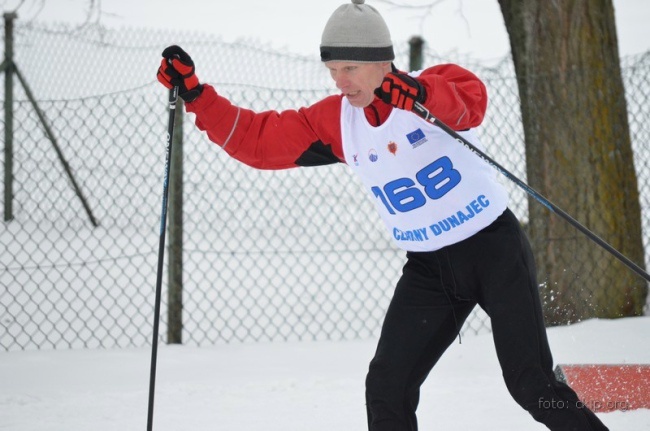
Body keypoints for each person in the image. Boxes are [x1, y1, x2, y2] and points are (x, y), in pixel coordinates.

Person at [157, 0, 609, 429]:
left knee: (533, 387)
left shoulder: (427, 89)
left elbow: (471, 100)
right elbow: (257, 140)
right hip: (431, 269)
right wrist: (197, 95)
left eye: (349, 68)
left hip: (493, 250)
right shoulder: (338, 120)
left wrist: (419, 93)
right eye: (333, 70)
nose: (339, 81)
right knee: (387, 386)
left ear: (381, 62)